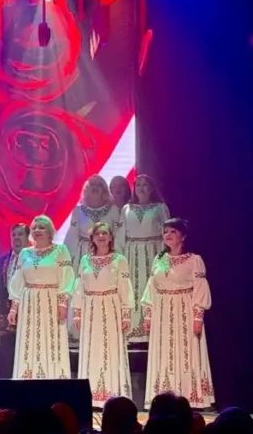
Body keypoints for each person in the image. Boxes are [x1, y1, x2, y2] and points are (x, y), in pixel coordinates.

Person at [142, 218, 214, 409]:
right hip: (162, 312)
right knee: (164, 352)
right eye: (165, 231)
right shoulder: (159, 259)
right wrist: (148, 314)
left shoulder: (194, 260)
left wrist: (198, 316)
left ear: (183, 236)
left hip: (184, 310)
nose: (168, 235)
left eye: (173, 231)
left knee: (186, 352)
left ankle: (190, 397)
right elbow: (151, 287)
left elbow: (200, 288)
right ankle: (164, 396)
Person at [72, 222, 134, 406]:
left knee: (110, 349)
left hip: (111, 306)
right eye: (97, 233)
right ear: (92, 238)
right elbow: (79, 287)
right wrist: (77, 312)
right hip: (90, 308)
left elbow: (125, 287)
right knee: (91, 350)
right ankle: (91, 396)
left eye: (104, 233)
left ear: (110, 237)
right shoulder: (85, 260)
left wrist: (126, 313)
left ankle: (112, 395)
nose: (101, 236)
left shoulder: (119, 259)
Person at [8, 215, 74, 379]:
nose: (37, 230)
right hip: (29, 302)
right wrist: (14, 308)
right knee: (30, 340)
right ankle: (28, 379)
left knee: (51, 339)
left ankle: (53, 378)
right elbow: (18, 280)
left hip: (51, 300)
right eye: (35, 228)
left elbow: (66, 277)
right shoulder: (25, 253)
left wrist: (63, 303)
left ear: (50, 232)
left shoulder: (60, 250)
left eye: (42, 227)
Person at [118, 174, 170, 342]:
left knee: (151, 286)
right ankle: (134, 331)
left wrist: (164, 256)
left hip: (153, 251)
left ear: (152, 188)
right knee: (134, 288)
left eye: (145, 184)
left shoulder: (160, 207)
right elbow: (120, 235)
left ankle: (154, 330)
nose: (141, 187)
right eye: (138, 184)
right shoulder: (126, 209)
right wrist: (120, 258)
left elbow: (167, 233)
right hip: (132, 253)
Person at [0, 223, 30, 378]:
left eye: (20, 234)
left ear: (28, 238)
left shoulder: (33, 260)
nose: (16, 238)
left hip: (26, 317)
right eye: (14, 235)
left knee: (24, 361)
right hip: (4, 317)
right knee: (5, 359)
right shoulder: (3, 260)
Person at [65, 175, 123, 272]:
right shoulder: (78, 211)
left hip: (106, 254)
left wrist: (118, 256)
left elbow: (118, 235)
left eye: (99, 185)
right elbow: (72, 236)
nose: (95, 187)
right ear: (86, 189)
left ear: (104, 190)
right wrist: (65, 260)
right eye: (92, 184)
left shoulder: (113, 210)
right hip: (83, 255)